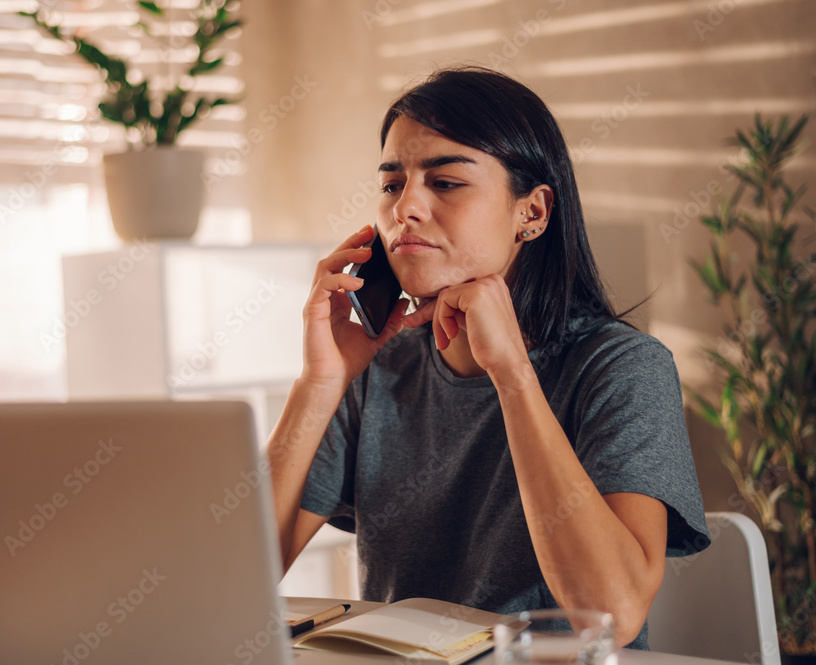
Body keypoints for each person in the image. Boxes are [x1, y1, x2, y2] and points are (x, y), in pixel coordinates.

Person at [264, 65, 709, 650]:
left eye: (445, 182)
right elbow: (231, 583)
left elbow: (612, 615)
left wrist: (514, 376)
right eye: (393, 184)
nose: (406, 209)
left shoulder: (622, 368)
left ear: (533, 212)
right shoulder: (378, 370)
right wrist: (320, 381)